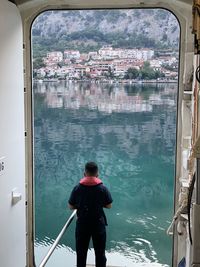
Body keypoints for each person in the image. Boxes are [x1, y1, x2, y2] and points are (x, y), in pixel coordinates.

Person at [68, 161, 113, 267]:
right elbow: (109, 205)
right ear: (97, 175)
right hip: (98, 224)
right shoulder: (102, 188)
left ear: (85, 174)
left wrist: (79, 205)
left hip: (82, 224)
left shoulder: (77, 188)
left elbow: (70, 206)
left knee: (81, 254)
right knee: (100, 253)